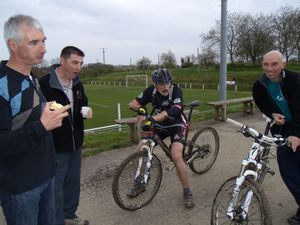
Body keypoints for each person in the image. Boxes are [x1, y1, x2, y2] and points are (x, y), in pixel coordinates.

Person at [0, 14, 70, 225]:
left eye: (43, 41)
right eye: (34, 42)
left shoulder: (30, 77)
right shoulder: (3, 85)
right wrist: (41, 126)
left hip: (46, 175)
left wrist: (44, 110)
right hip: (21, 187)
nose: (43, 48)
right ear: (12, 44)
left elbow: (20, 118)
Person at [39, 46, 92, 225]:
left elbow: (83, 102)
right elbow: (39, 115)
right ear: (62, 60)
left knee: (72, 183)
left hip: (76, 142)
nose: (78, 68)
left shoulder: (77, 83)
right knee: (55, 188)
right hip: (56, 146)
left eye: (81, 64)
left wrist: (87, 110)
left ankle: (70, 215)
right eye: (74, 62)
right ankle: (56, 220)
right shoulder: (44, 84)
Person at [128, 68, 194, 208]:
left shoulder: (175, 90)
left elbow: (176, 109)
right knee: (138, 152)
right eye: (161, 84)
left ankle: (187, 191)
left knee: (176, 156)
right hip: (158, 124)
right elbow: (133, 103)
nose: (165, 87)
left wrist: (152, 118)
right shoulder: (150, 91)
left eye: (168, 83)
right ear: (154, 83)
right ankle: (139, 183)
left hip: (176, 124)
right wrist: (141, 110)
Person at [252, 50, 300, 225]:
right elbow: (262, 105)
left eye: (274, 64)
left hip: (297, 127)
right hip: (282, 130)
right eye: (266, 64)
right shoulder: (259, 86)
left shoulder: (295, 80)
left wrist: (295, 133)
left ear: (283, 64)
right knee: (288, 169)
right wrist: (272, 114)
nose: (269, 68)